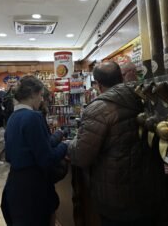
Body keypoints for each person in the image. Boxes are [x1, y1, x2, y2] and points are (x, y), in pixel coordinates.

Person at [68, 61, 166, 226]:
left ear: (98, 85)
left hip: (117, 199)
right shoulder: (144, 96)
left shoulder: (98, 109)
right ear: (121, 77)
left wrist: (70, 143)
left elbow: (81, 156)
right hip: (150, 191)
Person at [1, 75, 68, 226]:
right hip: (33, 190)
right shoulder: (33, 117)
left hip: (15, 185)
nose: (42, 100)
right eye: (41, 95)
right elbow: (47, 159)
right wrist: (66, 146)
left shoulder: (13, 117)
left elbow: (35, 144)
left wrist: (58, 135)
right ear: (34, 94)